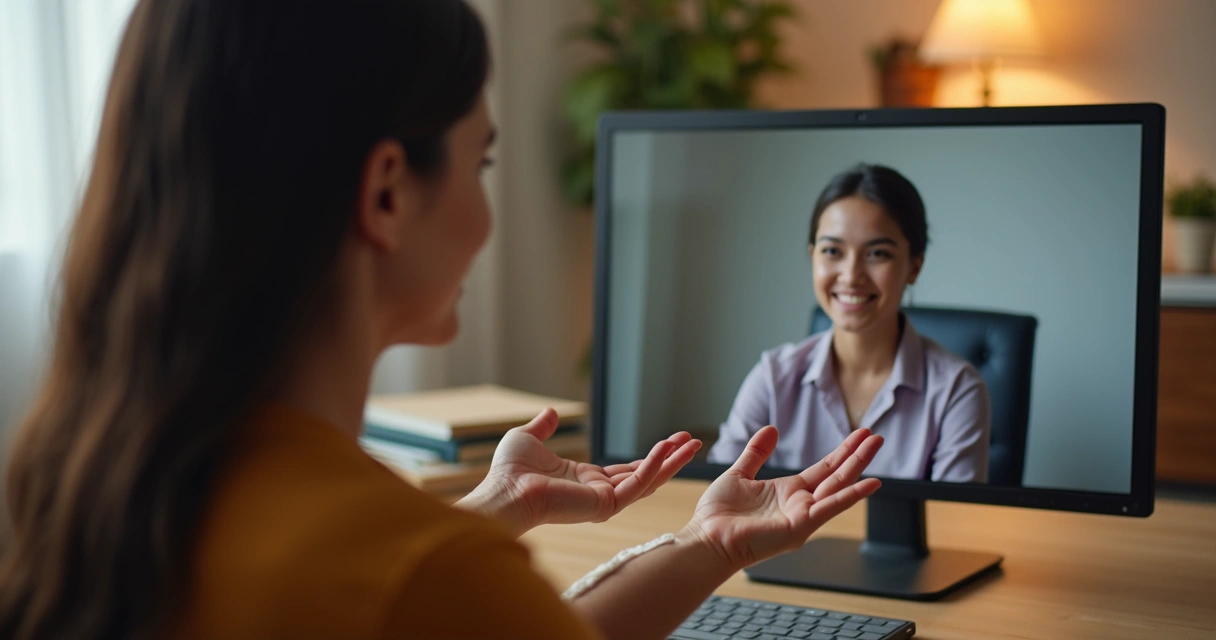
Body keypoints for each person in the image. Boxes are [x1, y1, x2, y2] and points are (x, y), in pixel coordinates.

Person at [0, 2, 884, 639]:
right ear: (387, 192)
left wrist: (689, 538)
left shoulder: (99, 483)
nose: (488, 218)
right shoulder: (426, 577)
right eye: (481, 162)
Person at [707, 164, 990, 483]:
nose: (852, 275)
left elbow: (950, 526)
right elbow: (719, 494)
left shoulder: (957, 391)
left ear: (914, 267)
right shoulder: (773, 377)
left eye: (877, 253)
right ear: (813, 257)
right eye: (832, 251)